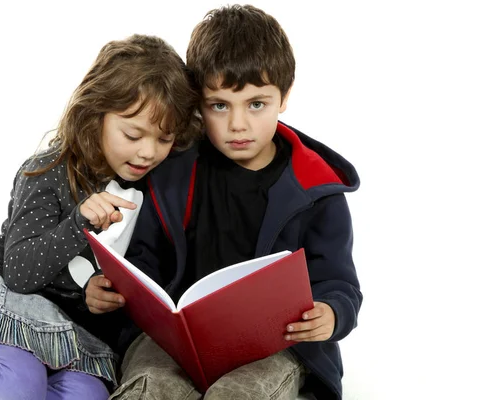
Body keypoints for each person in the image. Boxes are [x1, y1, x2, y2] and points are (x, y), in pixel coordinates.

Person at [0, 34, 201, 400]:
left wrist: (92, 297)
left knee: (87, 397)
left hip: (70, 332)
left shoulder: (151, 189)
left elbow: (98, 275)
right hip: (9, 298)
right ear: (95, 114)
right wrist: (78, 221)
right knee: (13, 387)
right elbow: (20, 271)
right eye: (133, 134)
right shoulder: (47, 171)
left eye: (164, 139)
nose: (148, 152)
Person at [85, 5, 362, 400]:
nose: (238, 125)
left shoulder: (316, 188)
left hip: (274, 346)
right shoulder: (172, 172)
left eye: (256, 104)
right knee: (150, 385)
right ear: (198, 103)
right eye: (219, 105)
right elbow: (144, 263)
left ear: (284, 97)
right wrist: (111, 290)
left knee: (240, 393)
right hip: (174, 344)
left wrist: (331, 313)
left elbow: (338, 279)